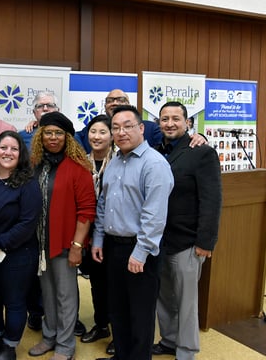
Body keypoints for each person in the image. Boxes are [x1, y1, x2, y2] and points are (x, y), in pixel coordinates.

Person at [92, 105, 174, 360]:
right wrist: (98, 239)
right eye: (115, 127)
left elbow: (155, 216)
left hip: (141, 251)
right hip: (113, 247)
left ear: (141, 128)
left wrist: (140, 253)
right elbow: (104, 203)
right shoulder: (115, 161)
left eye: (127, 126)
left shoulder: (155, 164)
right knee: (118, 309)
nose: (121, 132)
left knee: (140, 314)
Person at [152, 102, 222, 360]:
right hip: (161, 240)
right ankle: (169, 341)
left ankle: (187, 350)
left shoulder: (202, 152)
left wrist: (206, 242)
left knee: (186, 301)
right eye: (164, 119)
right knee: (165, 296)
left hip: (188, 242)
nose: (169, 123)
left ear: (188, 122)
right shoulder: (156, 150)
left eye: (175, 119)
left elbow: (212, 200)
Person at [27, 112, 96, 360]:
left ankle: (65, 345)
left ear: (67, 137)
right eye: (48, 132)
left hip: (66, 243)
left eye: (58, 133)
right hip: (40, 243)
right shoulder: (35, 164)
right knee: (47, 294)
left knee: (66, 296)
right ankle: (49, 337)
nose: (53, 137)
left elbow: (87, 210)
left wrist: (78, 245)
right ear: (40, 135)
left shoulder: (78, 168)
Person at [0, 131, 42, 360]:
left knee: (14, 301)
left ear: (21, 154)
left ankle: (8, 348)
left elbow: (27, 224)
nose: (8, 152)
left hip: (17, 253)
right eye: (3, 147)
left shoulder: (28, 183)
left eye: (14, 149)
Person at [18, 91, 60, 332]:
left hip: (58, 211)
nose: (45, 108)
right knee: (34, 265)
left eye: (50, 105)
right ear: (34, 113)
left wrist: (199, 135)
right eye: (40, 106)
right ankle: (36, 311)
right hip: (31, 209)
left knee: (61, 269)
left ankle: (66, 317)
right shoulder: (23, 135)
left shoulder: (70, 134)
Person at [78, 115, 115, 355]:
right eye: (93, 131)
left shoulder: (121, 160)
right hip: (89, 234)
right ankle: (102, 325)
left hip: (115, 232)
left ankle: (119, 332)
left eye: (103, 132)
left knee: (117, 285)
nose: (97, 136)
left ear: (112, 135)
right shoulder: (82, 162)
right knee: (97, 283)